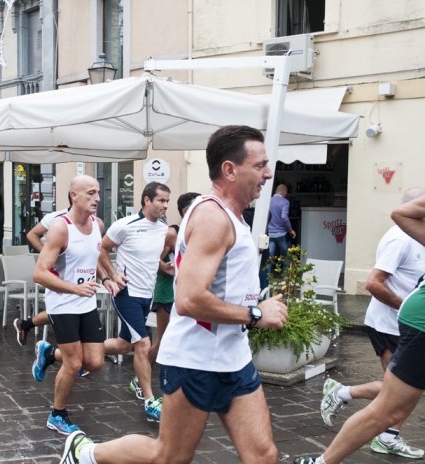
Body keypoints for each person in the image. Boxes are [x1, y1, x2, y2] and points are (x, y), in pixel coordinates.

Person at [59, 125, 289, 464]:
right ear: (230, 169)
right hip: (195, 360)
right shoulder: (213, 217)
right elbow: (189, 299)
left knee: (263, 455)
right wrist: (256, 314)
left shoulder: (232, 217)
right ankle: (86, 452)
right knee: (167, 457)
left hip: (233, 357)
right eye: (259, 165)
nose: (268, 174)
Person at [294, 192, 425, 464]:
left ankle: (350, 399)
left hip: (408, 319)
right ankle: (323, 460)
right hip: (413, 322)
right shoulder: (401, 237)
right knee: (389, 407)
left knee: (397, 398)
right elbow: (373, 283)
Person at [32, 175, 115, 435]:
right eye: (91, 193)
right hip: (63, 304)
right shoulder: (60, 228)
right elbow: (39, 273)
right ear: (74, 195)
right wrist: (75, 288)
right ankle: (57, 414)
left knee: (96, 361)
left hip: (86, 303)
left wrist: (106, 278)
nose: (97, 199)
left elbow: (94, 259)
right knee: (74, 364)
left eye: (98, 193)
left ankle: (47, 354)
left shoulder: (97, 225)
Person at [98, 182, 171, 422]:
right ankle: (150, 401)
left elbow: (150, 258)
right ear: (147, 200)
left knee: (122, 346)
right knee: (143, 344)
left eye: (167, 201)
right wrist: (112, 275)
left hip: (146, 296)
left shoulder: (162, 229)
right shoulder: (124, 225)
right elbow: (101, 249)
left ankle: (73, 353)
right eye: (161, 200)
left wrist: (164, 267)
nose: (166, 205)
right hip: (126, 292)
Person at [148, 192, 199, 367]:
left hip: (188, 293)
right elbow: (153, 263)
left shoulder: (198, 233)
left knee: (189, 339)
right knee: (163, 340)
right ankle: (139, 378)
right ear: (185, 211)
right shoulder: (172, 233)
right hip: (168, 292)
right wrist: (167, 268)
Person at [14, 197, 72, 346]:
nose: (96, 199)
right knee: (59, 311)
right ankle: (71, 358)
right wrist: (46, 254)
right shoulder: (56, 217)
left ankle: (25, 325)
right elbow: (32, 234)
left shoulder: (93, 221)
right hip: (57, 273)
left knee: (65, 312)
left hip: (79, 274)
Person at [266, 184, 295, 278]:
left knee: (269, 258)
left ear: (276, 191)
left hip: (269, 233)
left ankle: (267, 279)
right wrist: (290, 229)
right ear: (285, 192)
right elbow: (284, 217)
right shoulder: (285, 202)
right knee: (287, 256)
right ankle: (285, 279)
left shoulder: (268, 200)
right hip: (281, 233)